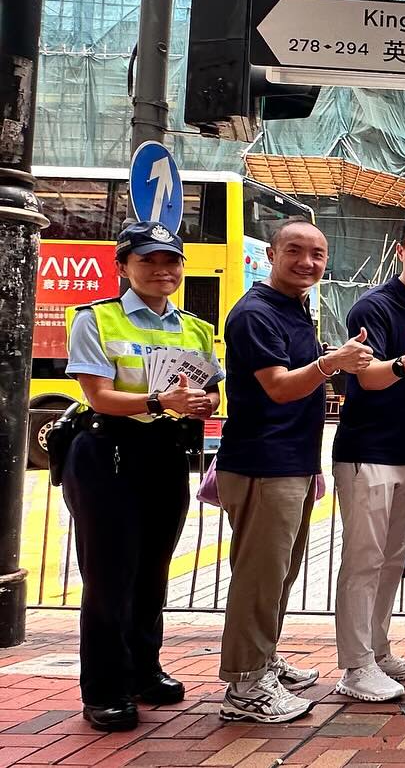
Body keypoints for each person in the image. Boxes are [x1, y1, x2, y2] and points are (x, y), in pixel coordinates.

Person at [60, 222, 222, 731]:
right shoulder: (95, 319)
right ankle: (104, 689)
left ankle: (144, 670)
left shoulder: (195, 328)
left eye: (170, 260)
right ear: (122, 266)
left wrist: (202, 403)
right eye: (147, 260)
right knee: (109, 575)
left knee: (153, 570)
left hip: (165, 452)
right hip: (107, 452)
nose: (161, 270)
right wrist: (159, 400)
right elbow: (98, 395)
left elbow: (212, 391)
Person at [216, 219, 374, 723]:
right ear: (271, 254)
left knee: (281, 573)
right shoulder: (256, 313)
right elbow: (280, 387)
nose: (307, 262)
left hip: (292, 461)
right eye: (295, 251)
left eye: (317, 254)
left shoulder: (295, 308)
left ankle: (262, 660)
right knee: (259, 578)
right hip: (263, 463)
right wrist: (333, 364)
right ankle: (245, 684)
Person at [330, 214, 405, 702]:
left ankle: (378, 651)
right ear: (401, 251)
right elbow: (367, 375)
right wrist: (403, 364)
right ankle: (354, 666)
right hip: (367, 452)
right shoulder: (373, 306)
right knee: (363, 559)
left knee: (392, 559)